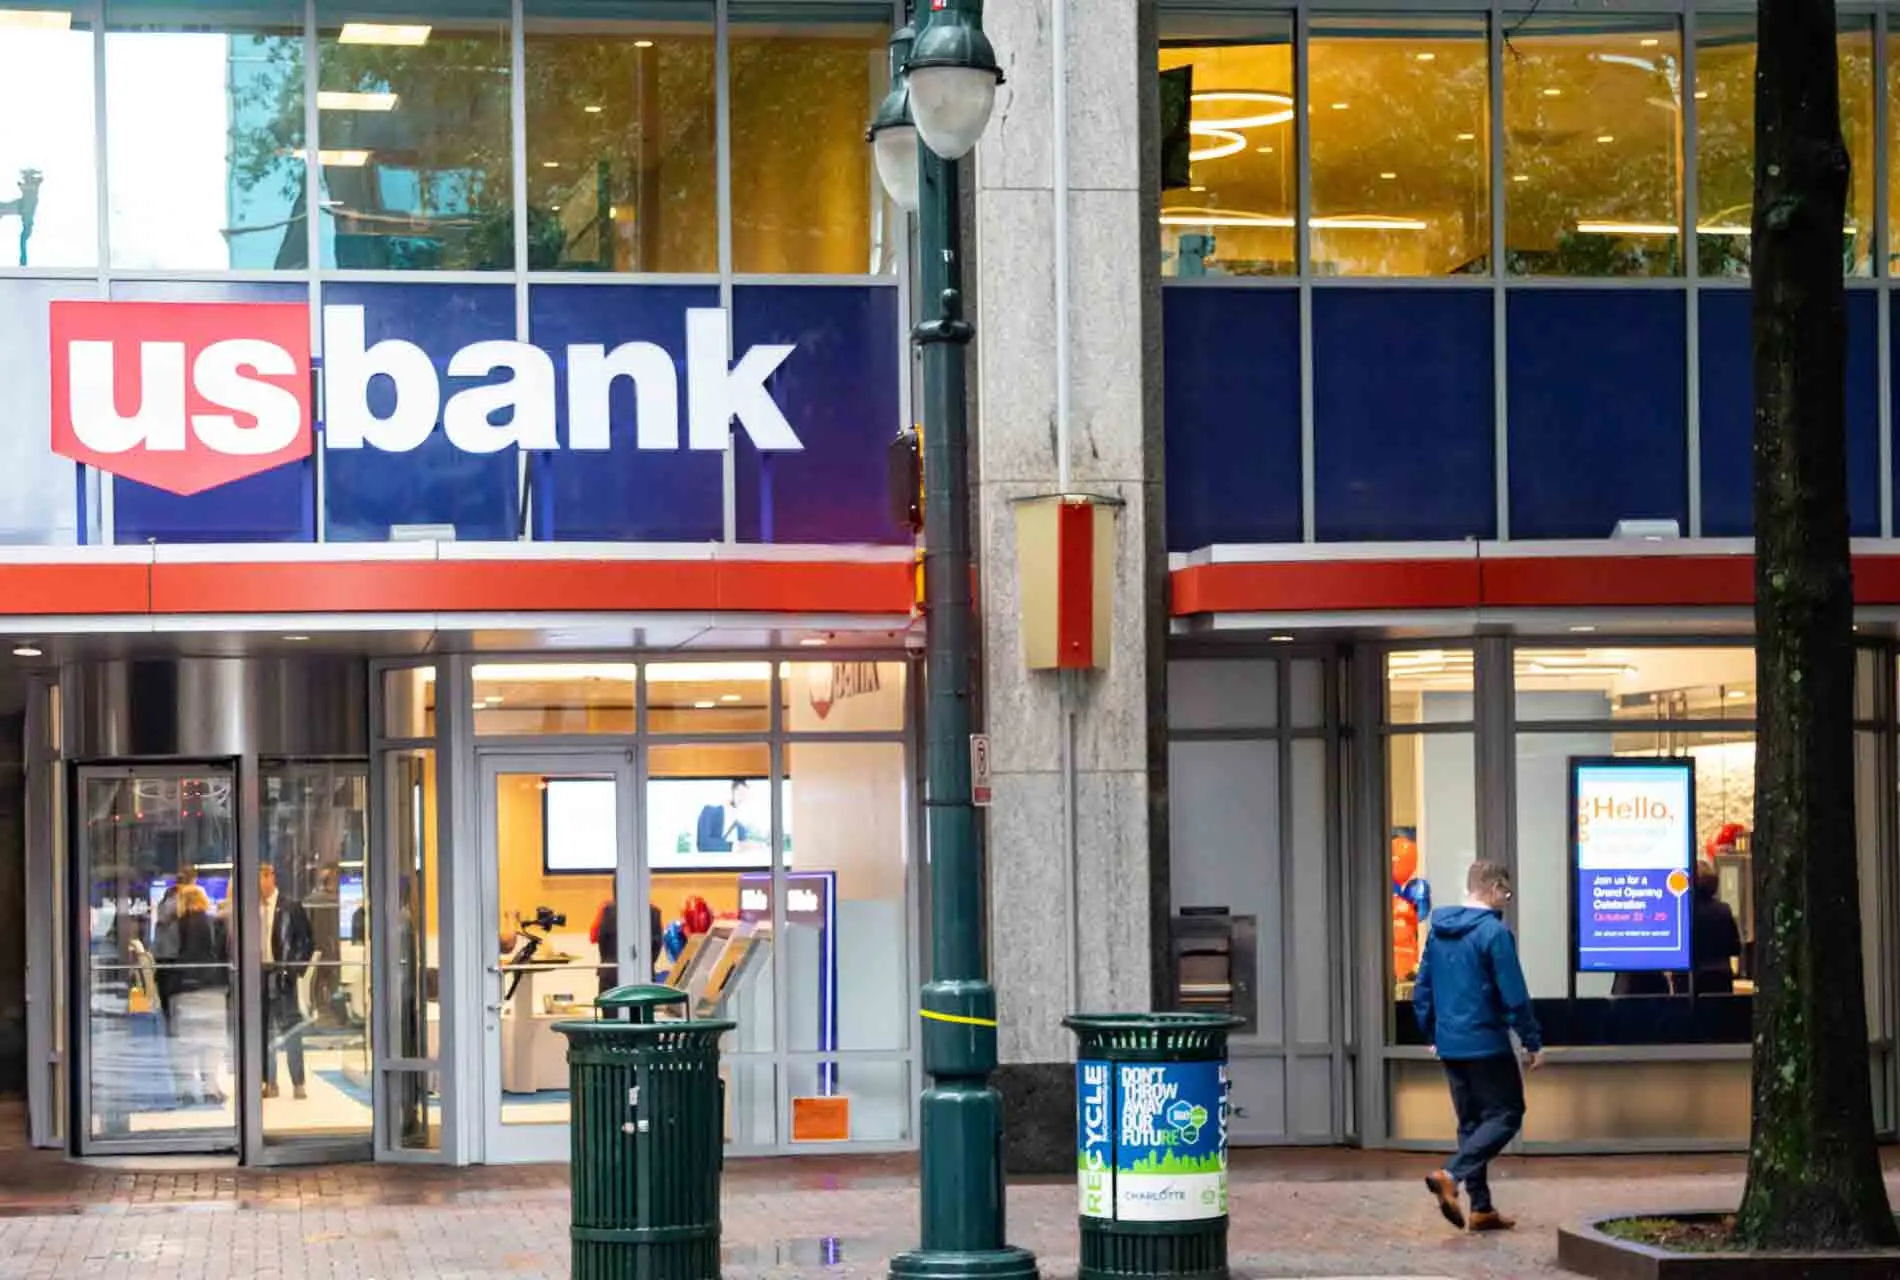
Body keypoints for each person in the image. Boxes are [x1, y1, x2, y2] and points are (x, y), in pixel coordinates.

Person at [1413, 860, 1544, 1232]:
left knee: (1471, 1123)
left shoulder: (1438, 932)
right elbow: (1514, 995)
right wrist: (1532, 1040)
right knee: (1507, 1114)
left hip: (1450, 1044)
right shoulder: (1494, 933)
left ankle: (1482, 1208)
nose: (1507, 898)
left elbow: (1423, 989)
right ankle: (1450, 1176)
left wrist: (1431, 1035)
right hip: (1486, 1043)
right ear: (1492, 888)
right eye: (1507, 891)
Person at [157, 884, 228, 1107]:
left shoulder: (174, 926)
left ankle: (187, 1091)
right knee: (212, 1044)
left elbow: (165, 958)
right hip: (214, 989)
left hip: (184, 990)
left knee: (185, 1045)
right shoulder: (217, 924)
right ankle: (211, 1089)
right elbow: (225, 955)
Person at [260, 864, 314, 1100]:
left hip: (283, 974)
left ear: (271, 877)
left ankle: (298, 1081)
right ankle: (269, 1082)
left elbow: (307, 942)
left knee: (291, 1029)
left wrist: (295, 969)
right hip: (259, 975)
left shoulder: (291, 907)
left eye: (261, 877)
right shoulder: (250, 907)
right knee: (263, 1031)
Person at [1689, 861, 1743, 994]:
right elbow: (1735, 948)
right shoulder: (1724, 910)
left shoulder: (1685, 912)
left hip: (1692, 979)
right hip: (1720, 978)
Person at [695, 780, 752, 852]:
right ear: (731, 792)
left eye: (746, 795)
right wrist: (734, 846)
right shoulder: (709, 811)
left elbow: (744, 848)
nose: (742, 798)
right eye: (740, 793)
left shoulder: (740, 827)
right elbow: (703, 844)